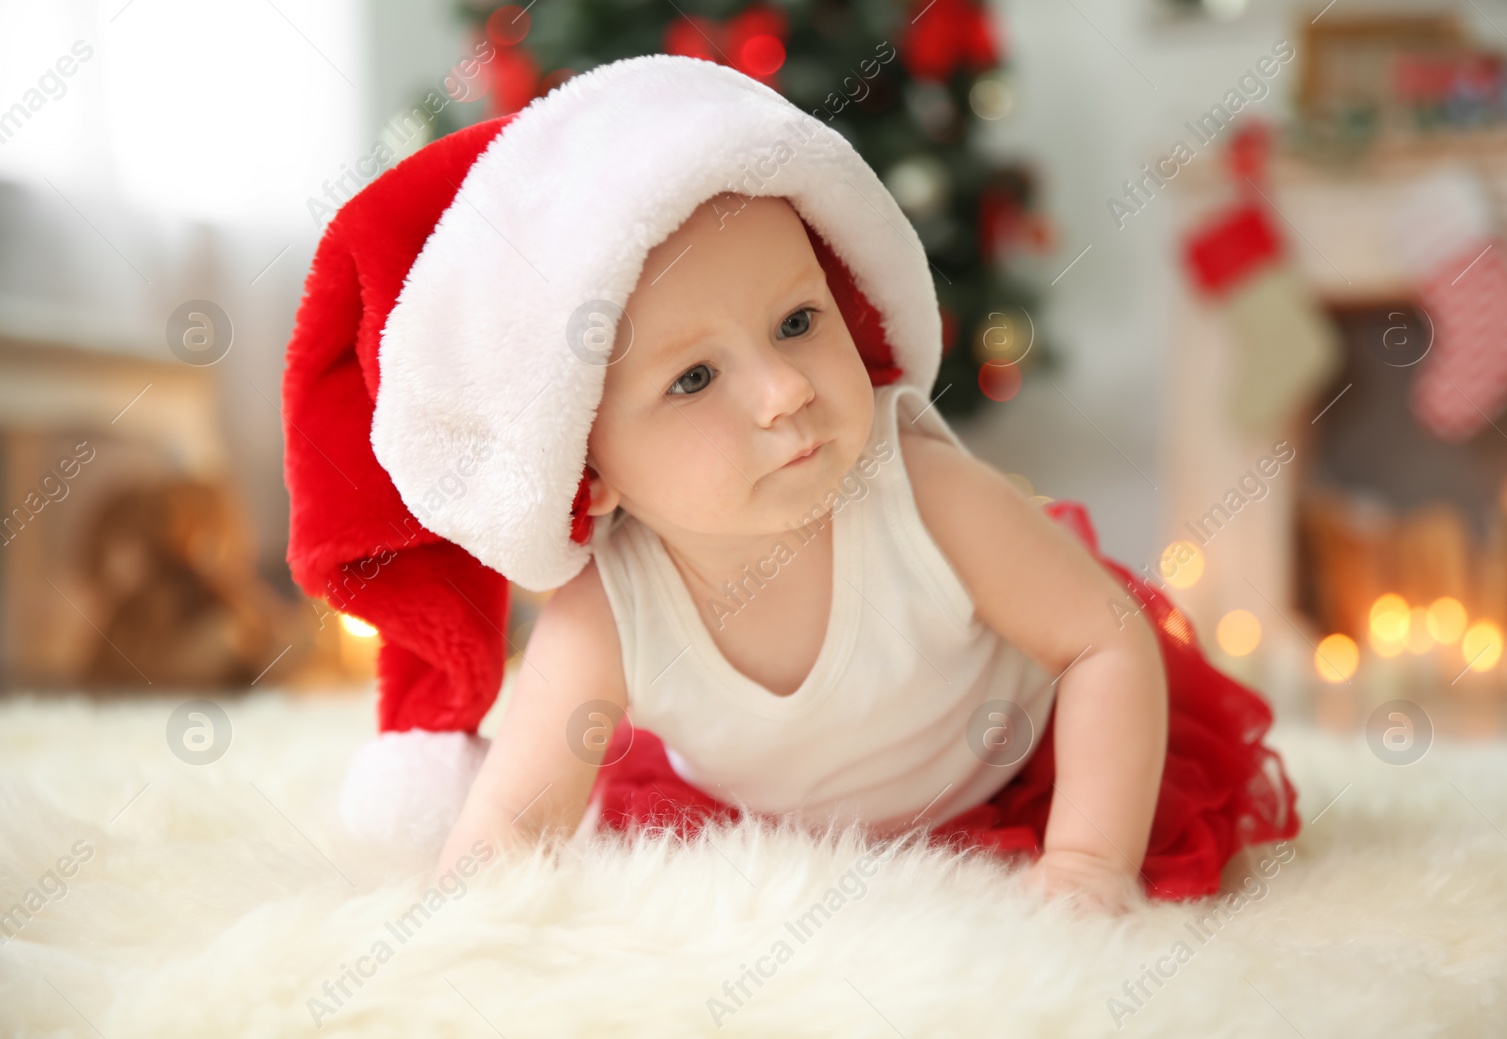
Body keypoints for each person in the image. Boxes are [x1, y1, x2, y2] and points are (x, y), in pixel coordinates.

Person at [281, 54, 1300, 915]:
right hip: (773, 819)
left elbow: (1104, 640)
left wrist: (1085, 862)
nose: (780, 392)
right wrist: (459, 935)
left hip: (1013, 768)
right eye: (692, 378)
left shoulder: (922, 493)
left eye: (797, 322)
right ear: (587, 476)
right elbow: (511, 818)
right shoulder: (609, 611)